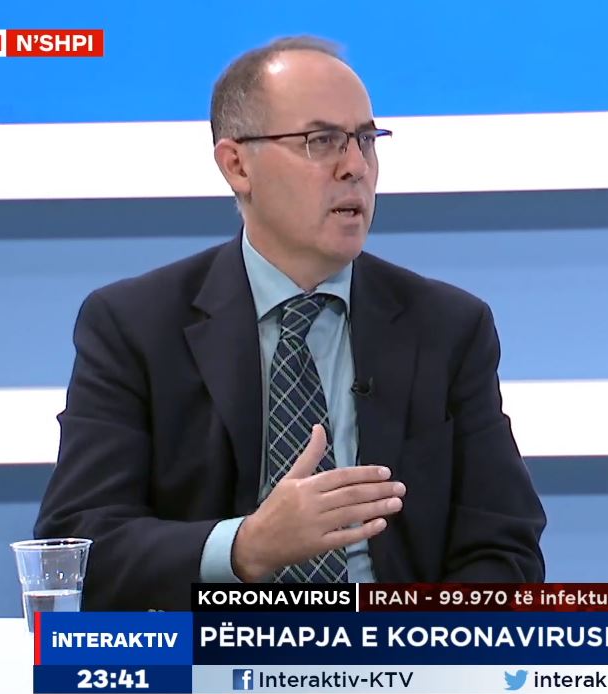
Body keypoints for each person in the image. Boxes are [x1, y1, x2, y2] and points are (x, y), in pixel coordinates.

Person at [34, 36, 547, 610]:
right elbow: (80, 545)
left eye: (366, 140)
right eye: (321, 141)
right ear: (237, 165)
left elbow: (506, 550)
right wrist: (244, 548)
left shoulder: (448, 328)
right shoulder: (133, 326)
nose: (355, 166)